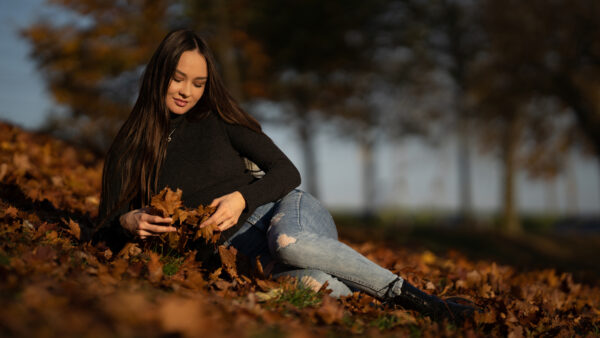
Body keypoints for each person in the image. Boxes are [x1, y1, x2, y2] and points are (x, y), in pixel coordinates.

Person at [94, 28, 478, 323]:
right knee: (313, 284)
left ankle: (428, 304)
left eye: (199, 83)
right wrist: (128, 221)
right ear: (158, 73)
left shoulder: (218, 119)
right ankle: (392, 308)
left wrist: (242, 198)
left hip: (284, 213)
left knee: (291, 244)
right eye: (178, 78)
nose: (187, 92)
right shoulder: (129, 146)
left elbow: (287, 172)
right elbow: (104, 224)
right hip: (244, 259)